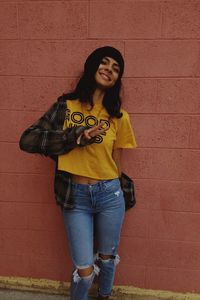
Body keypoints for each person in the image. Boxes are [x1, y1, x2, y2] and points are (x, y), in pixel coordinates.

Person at [19, 46, 137, 300]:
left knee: (107, 258)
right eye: (104, 63)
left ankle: (105, 295)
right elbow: (28, 140)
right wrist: (74, 137)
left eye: (116, 69)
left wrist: (118, 188)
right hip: (76, 197)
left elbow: (117, 161)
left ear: (118, 79)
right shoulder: (66, 106)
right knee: (84, 272)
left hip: (109, 194)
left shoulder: (119, 117)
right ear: (92, 66)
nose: (109, 70)